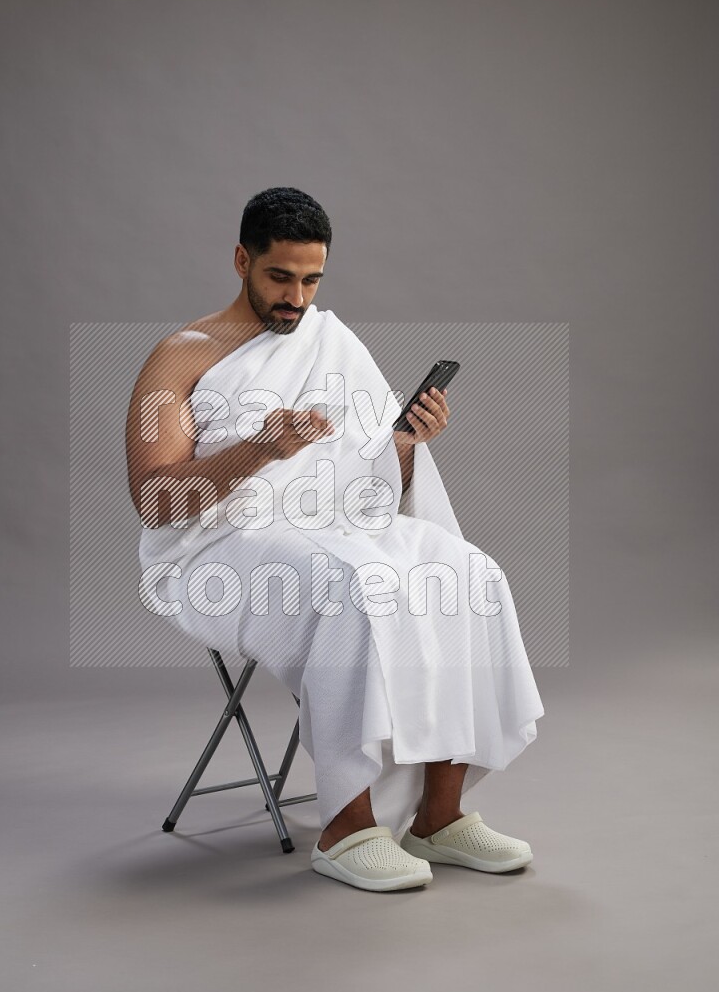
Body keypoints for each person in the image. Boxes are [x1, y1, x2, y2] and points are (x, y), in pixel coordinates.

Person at [125, 187, 545, 893]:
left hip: (332, 526)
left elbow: (370, 479)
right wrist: (260, 448)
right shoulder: (177, 359)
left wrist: (408, 438)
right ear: (241, 261)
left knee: (468, 571)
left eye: (311, 280)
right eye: (279, 278)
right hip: (215, 547)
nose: (296, 298)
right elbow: (157, 500)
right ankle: (347, 827)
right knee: (350, 585)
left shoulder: (333, 342)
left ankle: (439, 819)